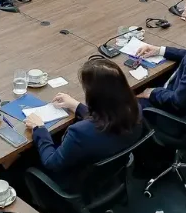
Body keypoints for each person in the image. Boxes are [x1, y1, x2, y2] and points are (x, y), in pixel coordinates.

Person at [25, 59, 143, 192]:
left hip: (76, 181)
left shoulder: (80, 132)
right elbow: (107, 119)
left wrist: (39, 129)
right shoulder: (135, 110)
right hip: (109, 170)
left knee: (22, 159)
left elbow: (52, 162)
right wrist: (76, 106)